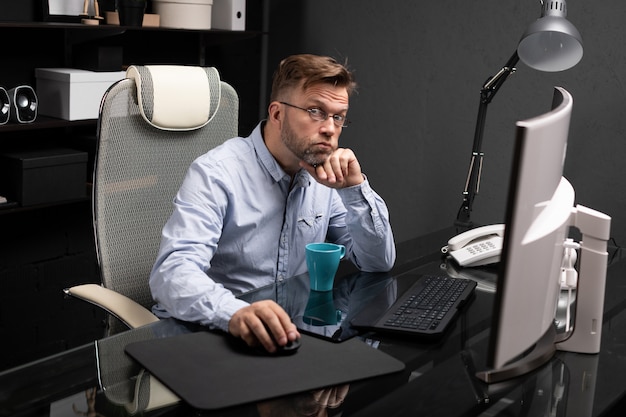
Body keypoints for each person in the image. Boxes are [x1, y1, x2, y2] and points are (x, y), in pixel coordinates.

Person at [149, 54, 396, 353]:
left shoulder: (327, 178)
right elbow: (172, 274)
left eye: (338, 116)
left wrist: (354, 190)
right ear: (277, 114)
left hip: (287, 340)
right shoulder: (217, 173)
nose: (330, 129)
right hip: (211, 336)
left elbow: (377, 262)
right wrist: (234, 312)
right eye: (316, 111)